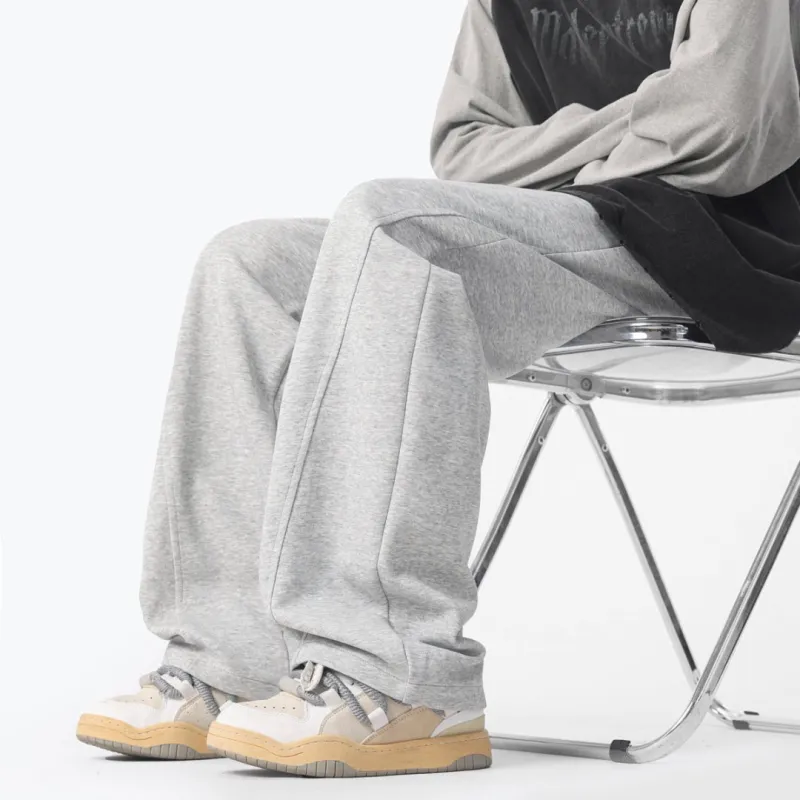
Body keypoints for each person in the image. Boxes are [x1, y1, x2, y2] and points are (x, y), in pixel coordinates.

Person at [76, 0, 800, 778]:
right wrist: (642, 124)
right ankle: (232, 658)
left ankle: (402, 680)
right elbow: (462, 152)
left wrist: (546, 152)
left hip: (722, 252)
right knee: (248, 262)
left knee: (393, 224)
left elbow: (724, 130)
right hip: (561, 227)